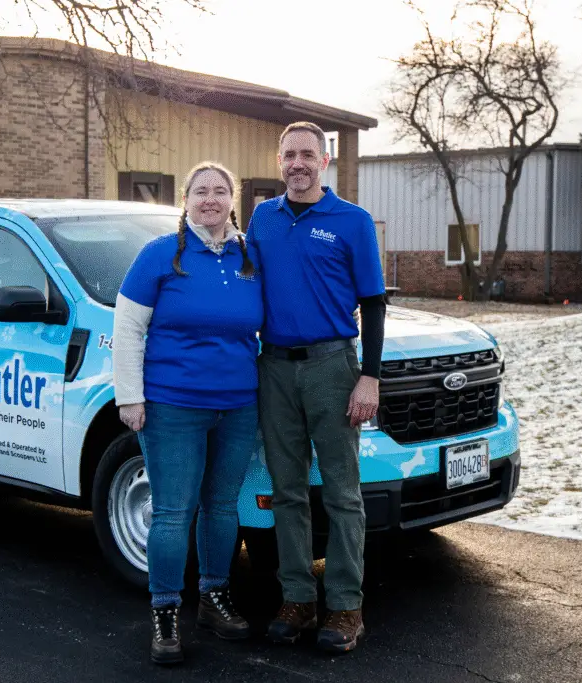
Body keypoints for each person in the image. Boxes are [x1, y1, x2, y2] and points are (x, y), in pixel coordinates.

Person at [112, 161, 263, 665]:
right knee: (174, 512)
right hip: (172, 405)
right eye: (201, 191)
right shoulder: (159, 255)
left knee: (222, 506)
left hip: (239, 405)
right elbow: (128, 329)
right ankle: (165, 611)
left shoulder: (250, 256)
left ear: (233, 200)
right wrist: (130, 397)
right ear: (186, 200)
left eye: (220, 191)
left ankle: (215, 597)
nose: (210, 199)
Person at [246, 121, 386, 653]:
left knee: (342, 493)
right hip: (275, 368)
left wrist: (369, 376)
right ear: (279, 161)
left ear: (324, 161)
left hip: (333, 366)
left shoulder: (352, 221)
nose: (298, 163)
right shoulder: (263, 217)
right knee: (287, 491)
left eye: (308, 154)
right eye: (289, 155)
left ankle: (347, 606)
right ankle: (298, 599)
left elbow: (373, 304)